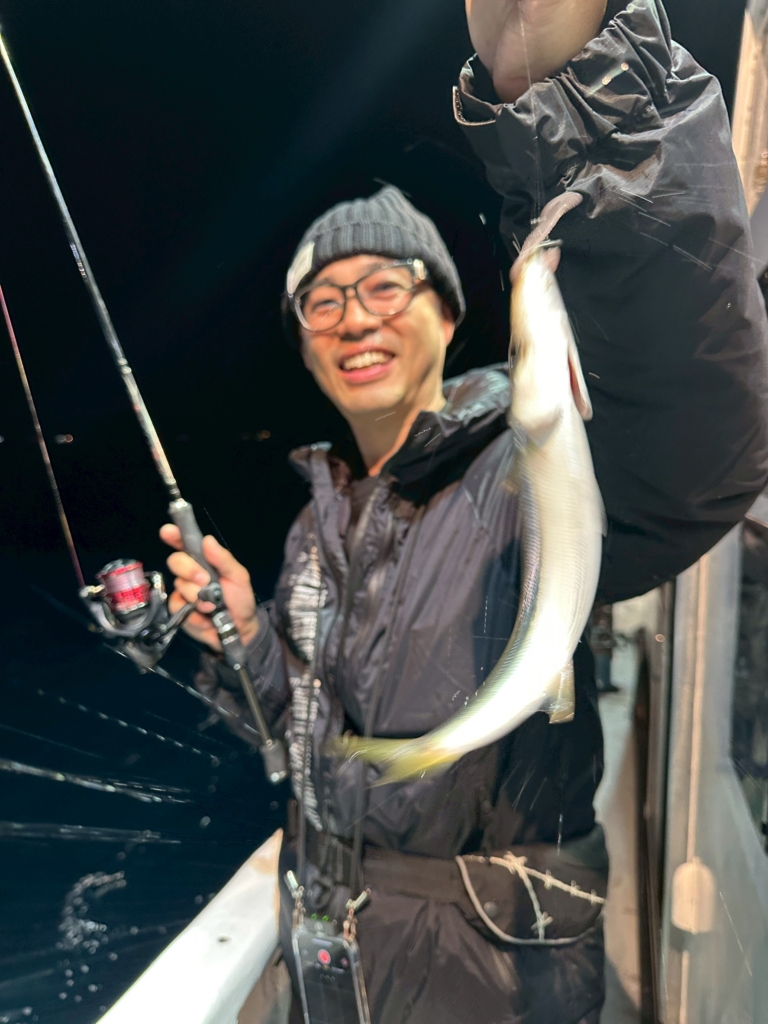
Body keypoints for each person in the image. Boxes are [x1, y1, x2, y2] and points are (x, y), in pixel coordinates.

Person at [161, 0, 768, 1020]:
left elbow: (698, 433)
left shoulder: (511, 470)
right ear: (303, 343)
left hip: (490, 975)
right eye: (322, 300)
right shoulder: (314, 526)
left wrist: (575, 94)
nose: (354, 317)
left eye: (386, 285)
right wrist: (248, 637)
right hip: (334, 955)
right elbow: (316, 735)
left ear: (447, 314)